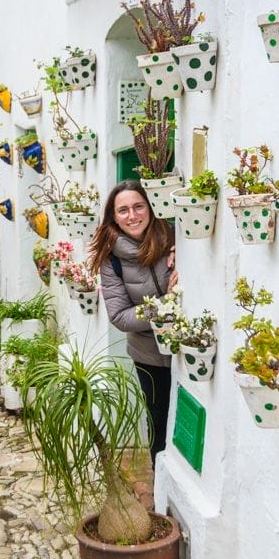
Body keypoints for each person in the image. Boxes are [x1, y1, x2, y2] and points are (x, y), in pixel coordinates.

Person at [88, 180, 178, 471]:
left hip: (187, 347)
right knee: (160, 421)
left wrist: (182, 252)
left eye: (138, 206)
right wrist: (164, 303)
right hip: (149, 357)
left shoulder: (174, 237)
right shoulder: (111, 259)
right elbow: (120, 316)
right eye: (123, 210)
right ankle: (161, 489)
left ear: (150, 208)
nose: (132, 215)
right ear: (113, 217)